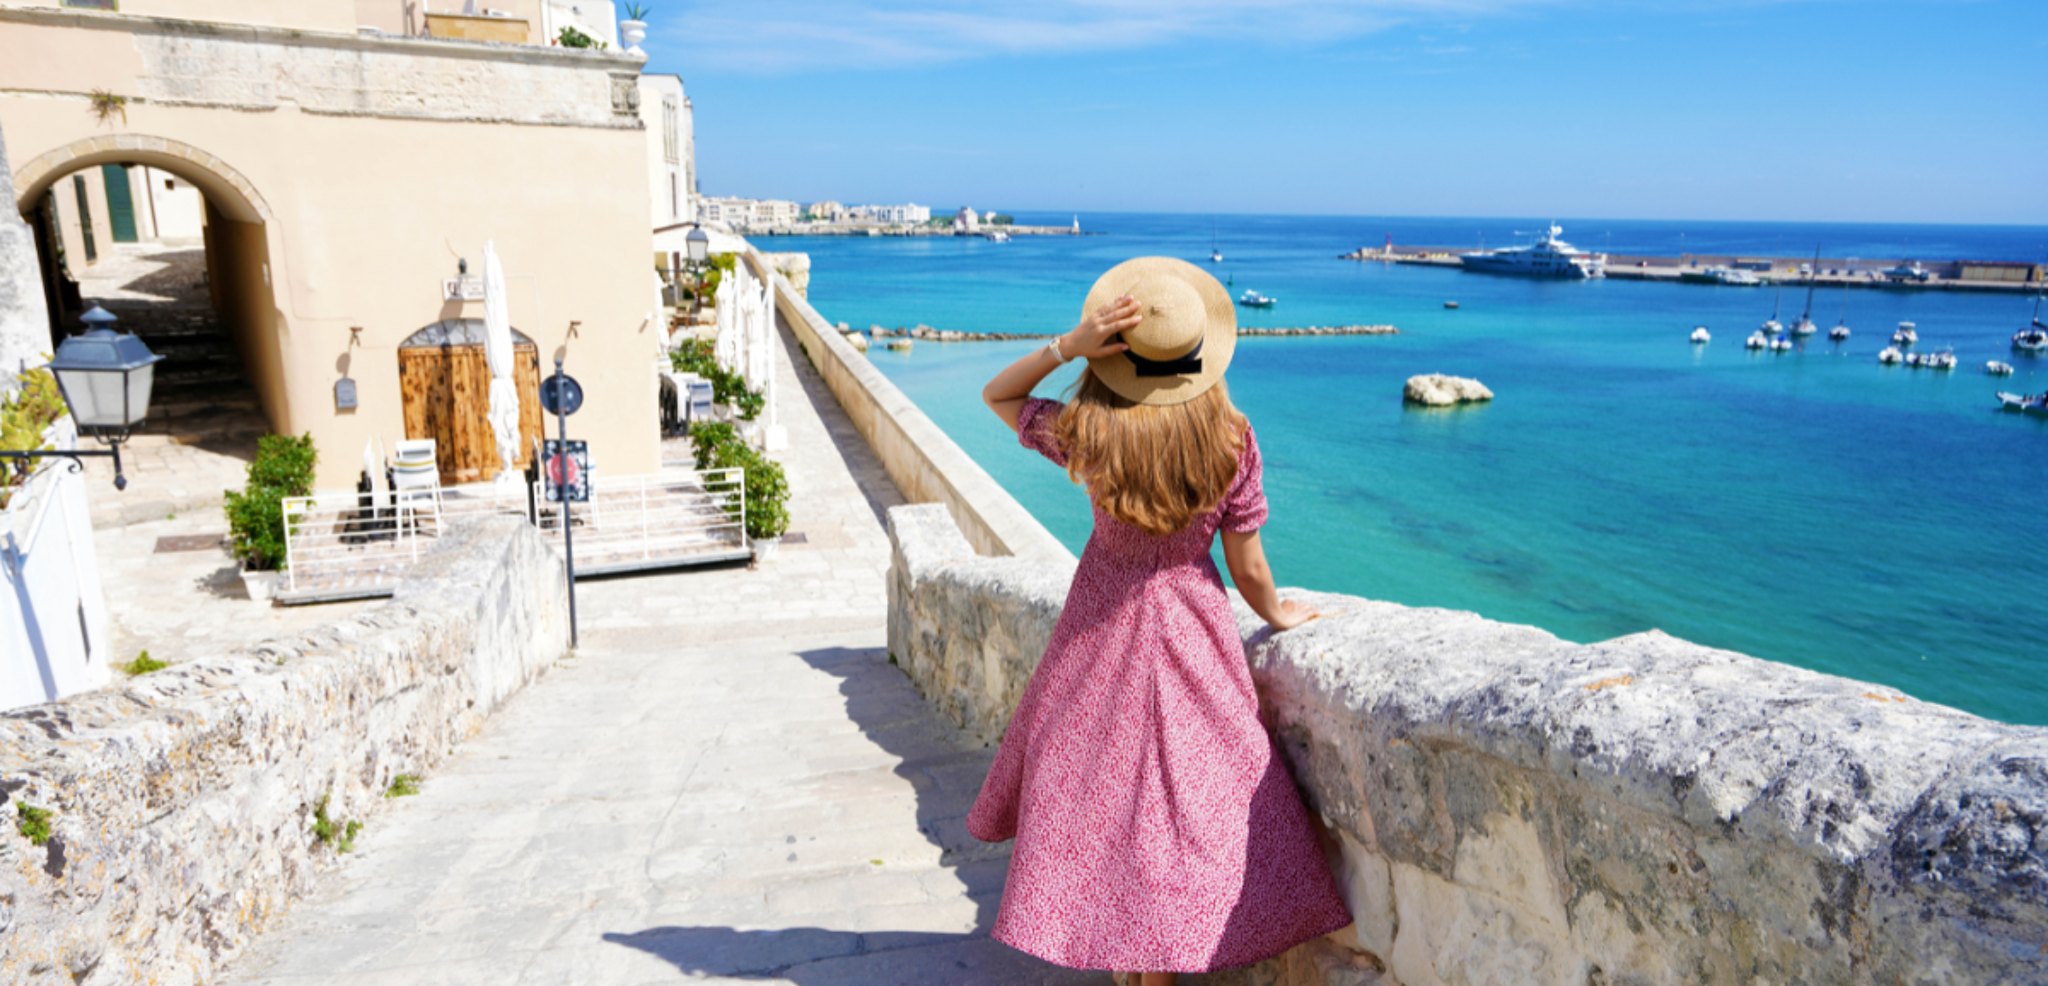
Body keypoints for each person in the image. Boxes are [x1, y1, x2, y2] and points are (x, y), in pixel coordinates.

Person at [968, 257, 1353, 985]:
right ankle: (1159, 963)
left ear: (1121, 359)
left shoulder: (1091, 430)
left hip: (1099, 626)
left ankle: (1129, 960)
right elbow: (1248, 568)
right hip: (1193, 630)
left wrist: (1070, 346)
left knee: (1103, 800)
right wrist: (1278, 614)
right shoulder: (1233, 439)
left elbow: (999, 393)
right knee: (1196, 807)